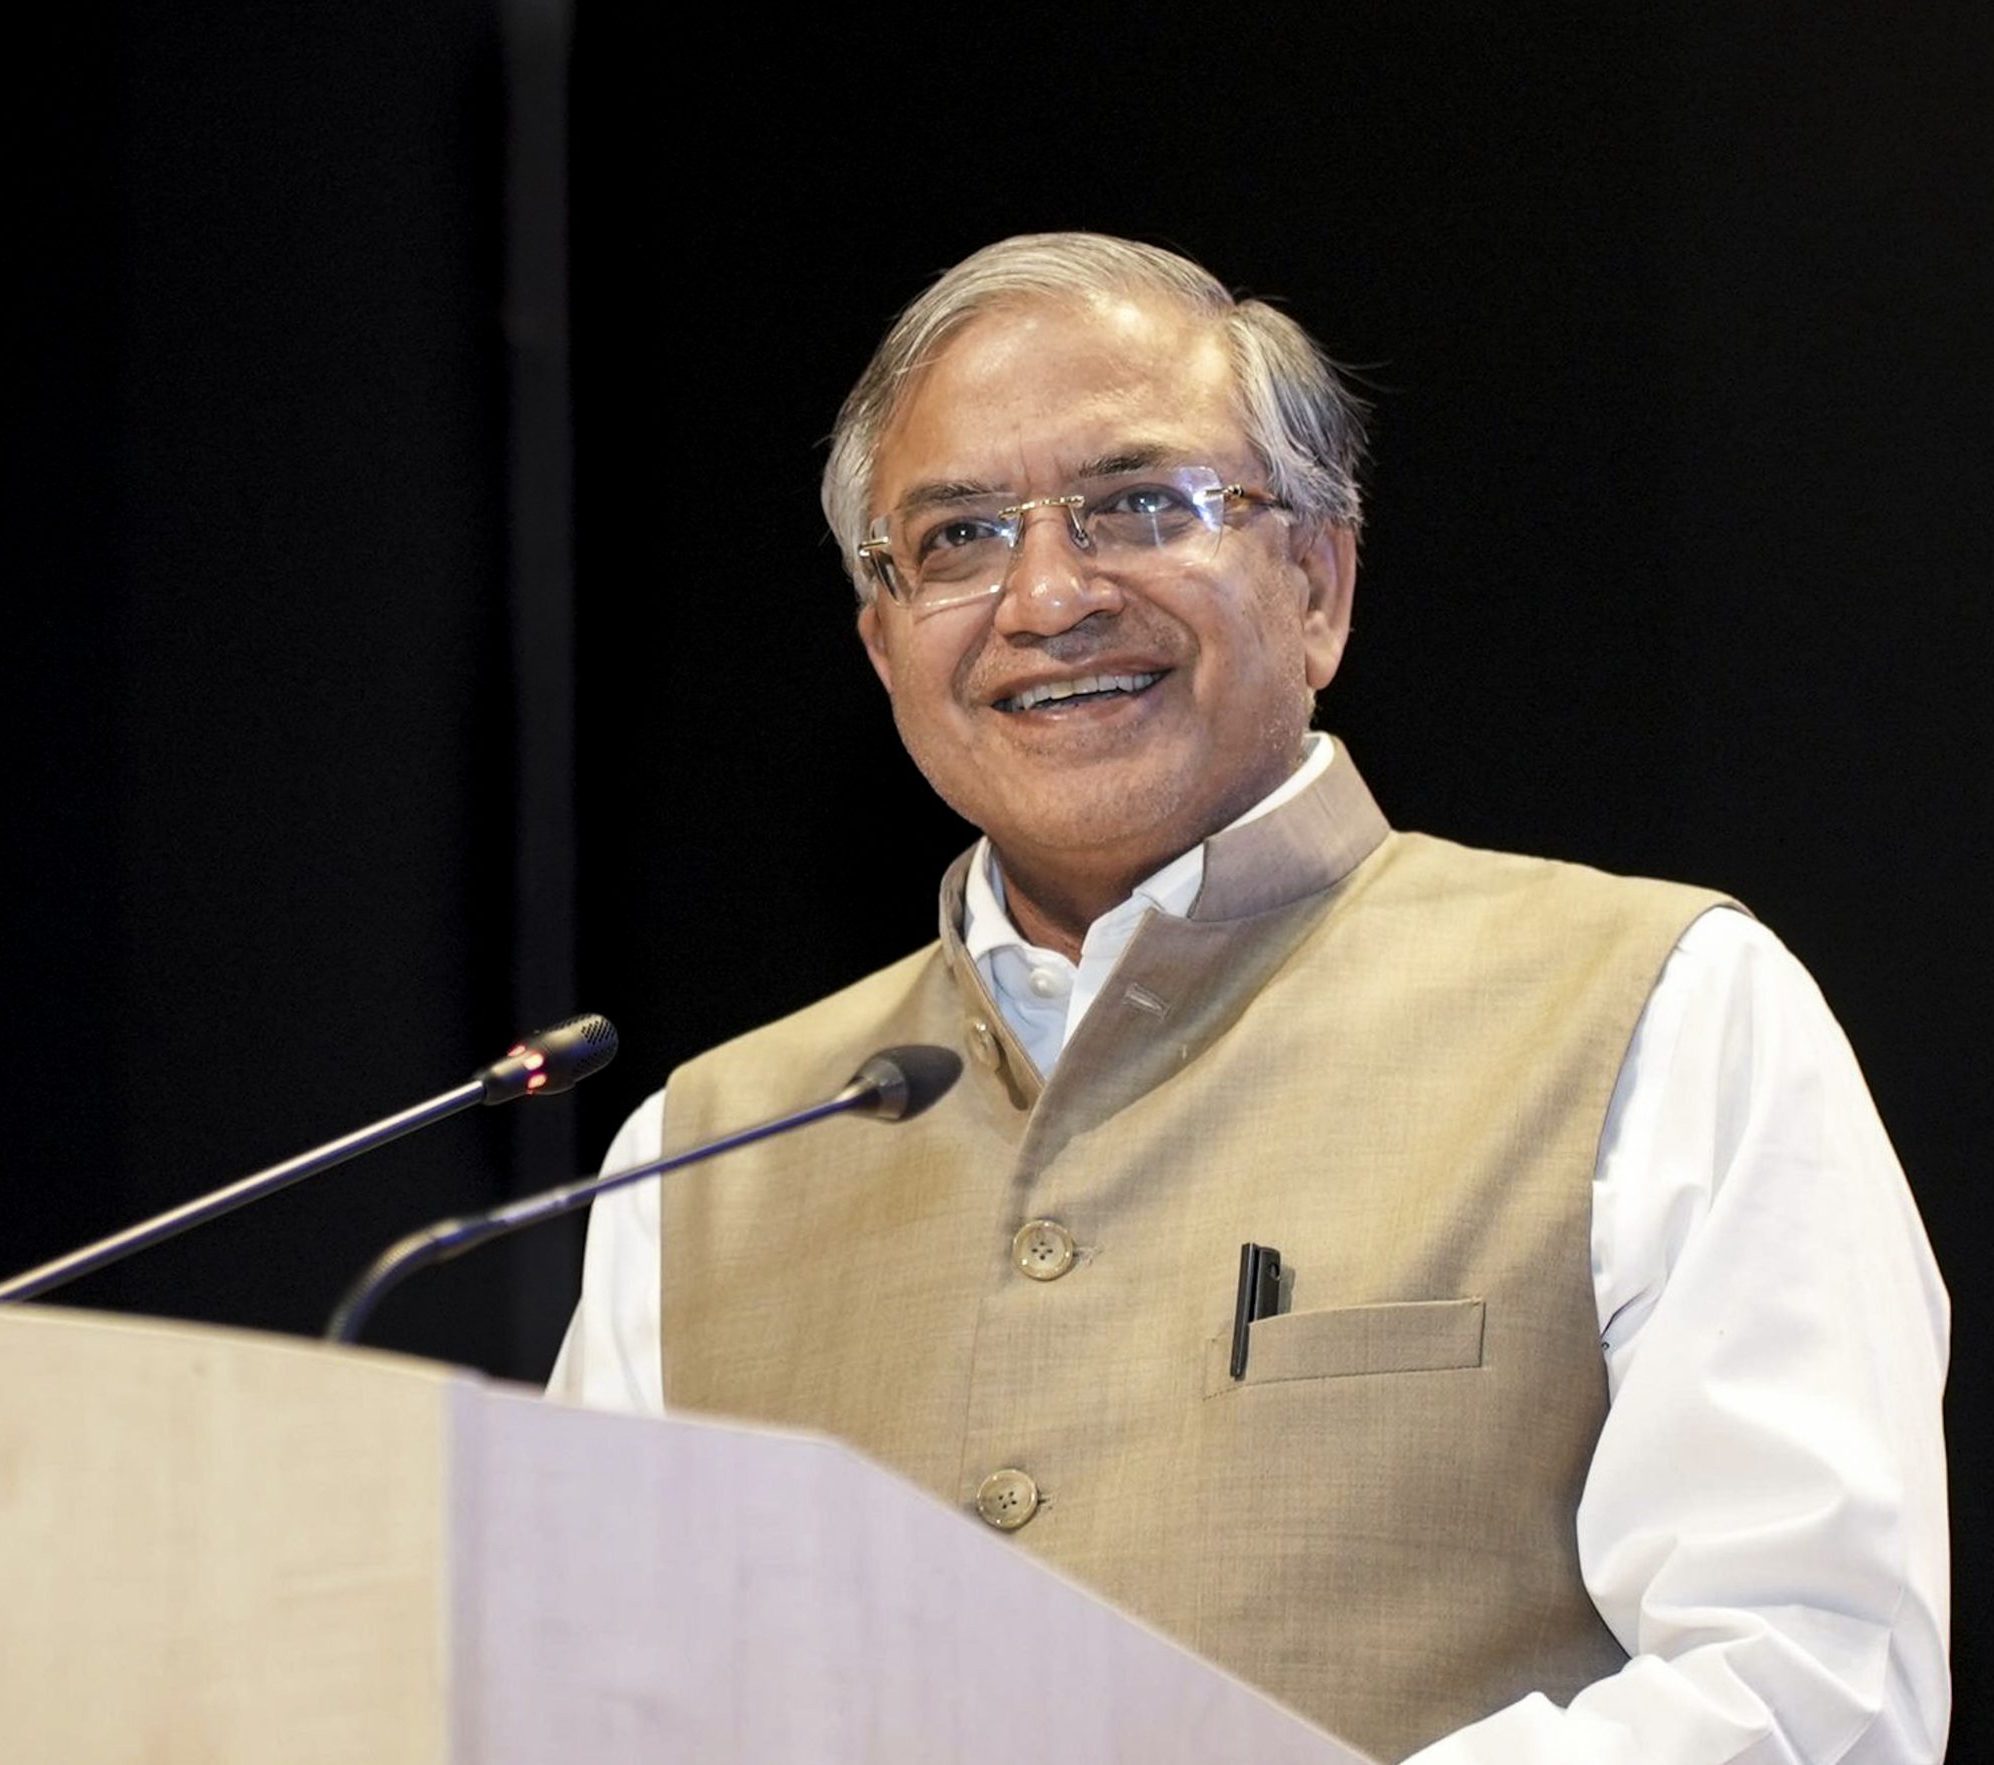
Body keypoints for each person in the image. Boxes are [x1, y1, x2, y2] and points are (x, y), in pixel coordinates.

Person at [547, 233, 1951, 1762]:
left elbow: (1812, 1682)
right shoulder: (707, 1150)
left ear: (1317, 582)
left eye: (1140, 505)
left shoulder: (1655, 1011)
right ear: (883, 642)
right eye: (957, 538)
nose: (1046, 596)